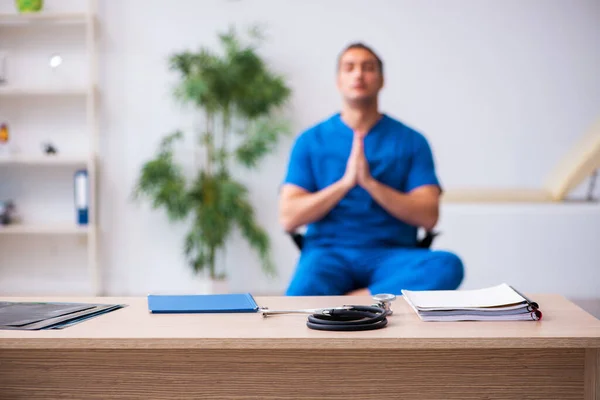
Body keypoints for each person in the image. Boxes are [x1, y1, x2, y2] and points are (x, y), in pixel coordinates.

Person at [279, 42, 464, 296]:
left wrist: (370, 183)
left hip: (394, 256)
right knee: (298, 297)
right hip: (327, 256)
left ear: (381, 80)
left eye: (368, 68)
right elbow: (289, 217)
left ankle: (359, 302)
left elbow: (428, 215)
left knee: (447, 265)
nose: (358, 74)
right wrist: (345, 183)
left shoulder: (411, 141)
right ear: (338, 80)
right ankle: (379, 299)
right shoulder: (310, 141)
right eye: (349, 68)